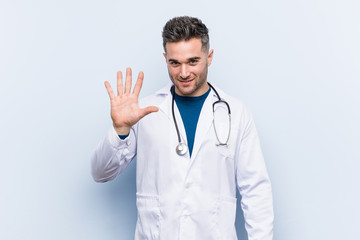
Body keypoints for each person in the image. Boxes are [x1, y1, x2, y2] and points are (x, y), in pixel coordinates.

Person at [91, 16, 274, 240]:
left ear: (209, 57)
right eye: (175, 63)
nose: (184, 73)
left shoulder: (236, 113)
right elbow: (100, 173)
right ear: (165, 59)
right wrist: (120, 130)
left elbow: (256, 191)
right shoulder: (144, 112)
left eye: (193, 61)